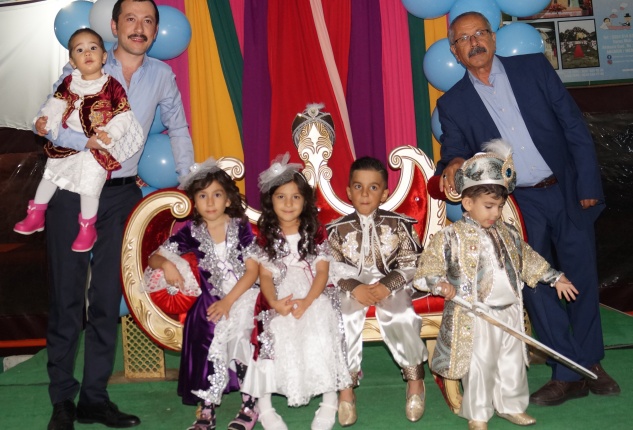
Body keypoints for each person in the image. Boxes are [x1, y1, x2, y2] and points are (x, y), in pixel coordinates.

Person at [435, 11, 619, 407]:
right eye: (464, 39)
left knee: (582, 276)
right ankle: (568, 371)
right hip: (517, 204)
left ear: (493, 38)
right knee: (535, 285)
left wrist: (588, 183)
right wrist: (453, 162)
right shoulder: (453, 104)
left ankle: (591, 363)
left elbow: (574, 125)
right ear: (455, 51)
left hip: (566, 189)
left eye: (480, 33)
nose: (474, 42)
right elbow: (453, 151)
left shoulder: (533, 68)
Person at [39, 1, 194, 429]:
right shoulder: (82, 65)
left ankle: (94, 398)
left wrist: (190, 182)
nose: (139, 27)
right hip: (72, 190)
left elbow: (178, 128)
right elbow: (51, 124)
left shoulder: (162, 76)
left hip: (121, 196)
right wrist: (87, 142)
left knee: (107, 298)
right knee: (67, 297)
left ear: (155, 31)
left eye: (148, 21)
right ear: (114, 26)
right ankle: (61, 401)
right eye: (130, 19)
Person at [416, 140, 580, 430]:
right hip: (476, 314)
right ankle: (478, 413)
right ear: (467, 203)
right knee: (480, 365)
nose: (495, 213)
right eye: (489, 206)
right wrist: (440, 284)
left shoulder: (509, 233)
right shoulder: (450, 237)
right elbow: (424, 271)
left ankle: (511, 406)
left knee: (512, 362)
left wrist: (555, 277)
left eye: (500, 207)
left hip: (510, 311)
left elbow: (528, 259)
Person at [146, 159, 259, 430]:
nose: (210, 202)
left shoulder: (240, 228)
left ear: (228, 200)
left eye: (217, 195)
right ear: (194, 202)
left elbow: (253, 271)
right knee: (202, 327)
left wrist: (229, 301)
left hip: (243, 295)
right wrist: (167, 264)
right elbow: (153, 258)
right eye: (202, 196)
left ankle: (250, 403)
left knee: (242, 332)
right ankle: (206, 408)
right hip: (210, 299)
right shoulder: (191, 232)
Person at [241, 154, 351, 430]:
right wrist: (274, 301)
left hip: (312, 288)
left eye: (295, 197)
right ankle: (265, 406)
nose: (288, 204)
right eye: (281, 197)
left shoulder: (315, 232)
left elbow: (322, 272)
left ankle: (329, 399)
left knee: (321, 319)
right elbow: (265, 275)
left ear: (305, 201)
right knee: (276, 328)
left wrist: (308, 300)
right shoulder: (266, 236)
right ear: (271, 201)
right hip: (279, 290)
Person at [15, 28, 143, 253]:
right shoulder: (68, 83)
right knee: (50, 175)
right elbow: (54, 105)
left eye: (93, 48)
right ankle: (36, 214)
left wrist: (111, 133)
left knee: (89, 188)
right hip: (68, 146)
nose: (87, 53)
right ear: (73, 62)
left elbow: (124, 115)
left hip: (97, 148)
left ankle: (87, 228)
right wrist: (42, 121)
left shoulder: (112, 85)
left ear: (104, 57)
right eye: (80, 50)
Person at [327, 156, 427, 426]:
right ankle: (346, 390)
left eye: (373, 187)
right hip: (351, 288)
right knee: (343, 318)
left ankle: (415, 383)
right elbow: (330, 267)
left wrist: (387, 285)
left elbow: (411, 262)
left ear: (384, 193)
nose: (364, 194)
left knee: (401, 316)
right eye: (358, 187)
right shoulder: (337, 230)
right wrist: (354, 287)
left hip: (393, 285)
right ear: (349, 192)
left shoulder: (399, 225)